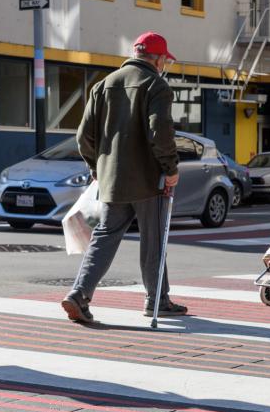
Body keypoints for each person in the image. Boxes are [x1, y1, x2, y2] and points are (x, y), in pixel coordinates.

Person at [61, 32, 187, 323]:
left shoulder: (104, 85)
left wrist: (97, 167)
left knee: (104, 236)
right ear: (157, 58)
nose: (164, 64)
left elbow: (84, 136)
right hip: (148, 181)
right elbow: (161, 133)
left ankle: (79, 294)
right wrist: (170, 169)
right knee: (153, 241)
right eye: (164, 59)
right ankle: (157, 300)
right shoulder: (156, 86)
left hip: (112, 181)